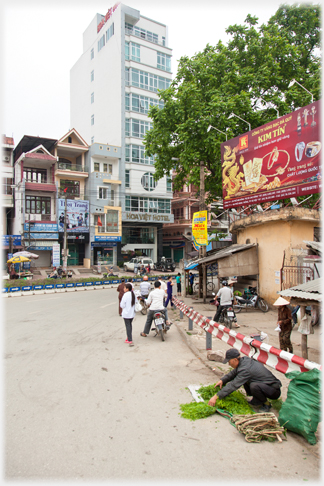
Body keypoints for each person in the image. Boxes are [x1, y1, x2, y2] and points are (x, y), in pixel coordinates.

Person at [207, 348, 282, 413]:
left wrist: (216, 396)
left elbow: (233, 385)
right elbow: (234, 372)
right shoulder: (244, 360)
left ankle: (266, 404)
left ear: (235, 360)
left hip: (273, 390)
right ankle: (257, 399)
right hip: (265, 385)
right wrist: (223, 380)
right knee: (248, 381)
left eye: (229, 362)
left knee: (254, 386)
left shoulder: (245, 370)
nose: (229, 364)